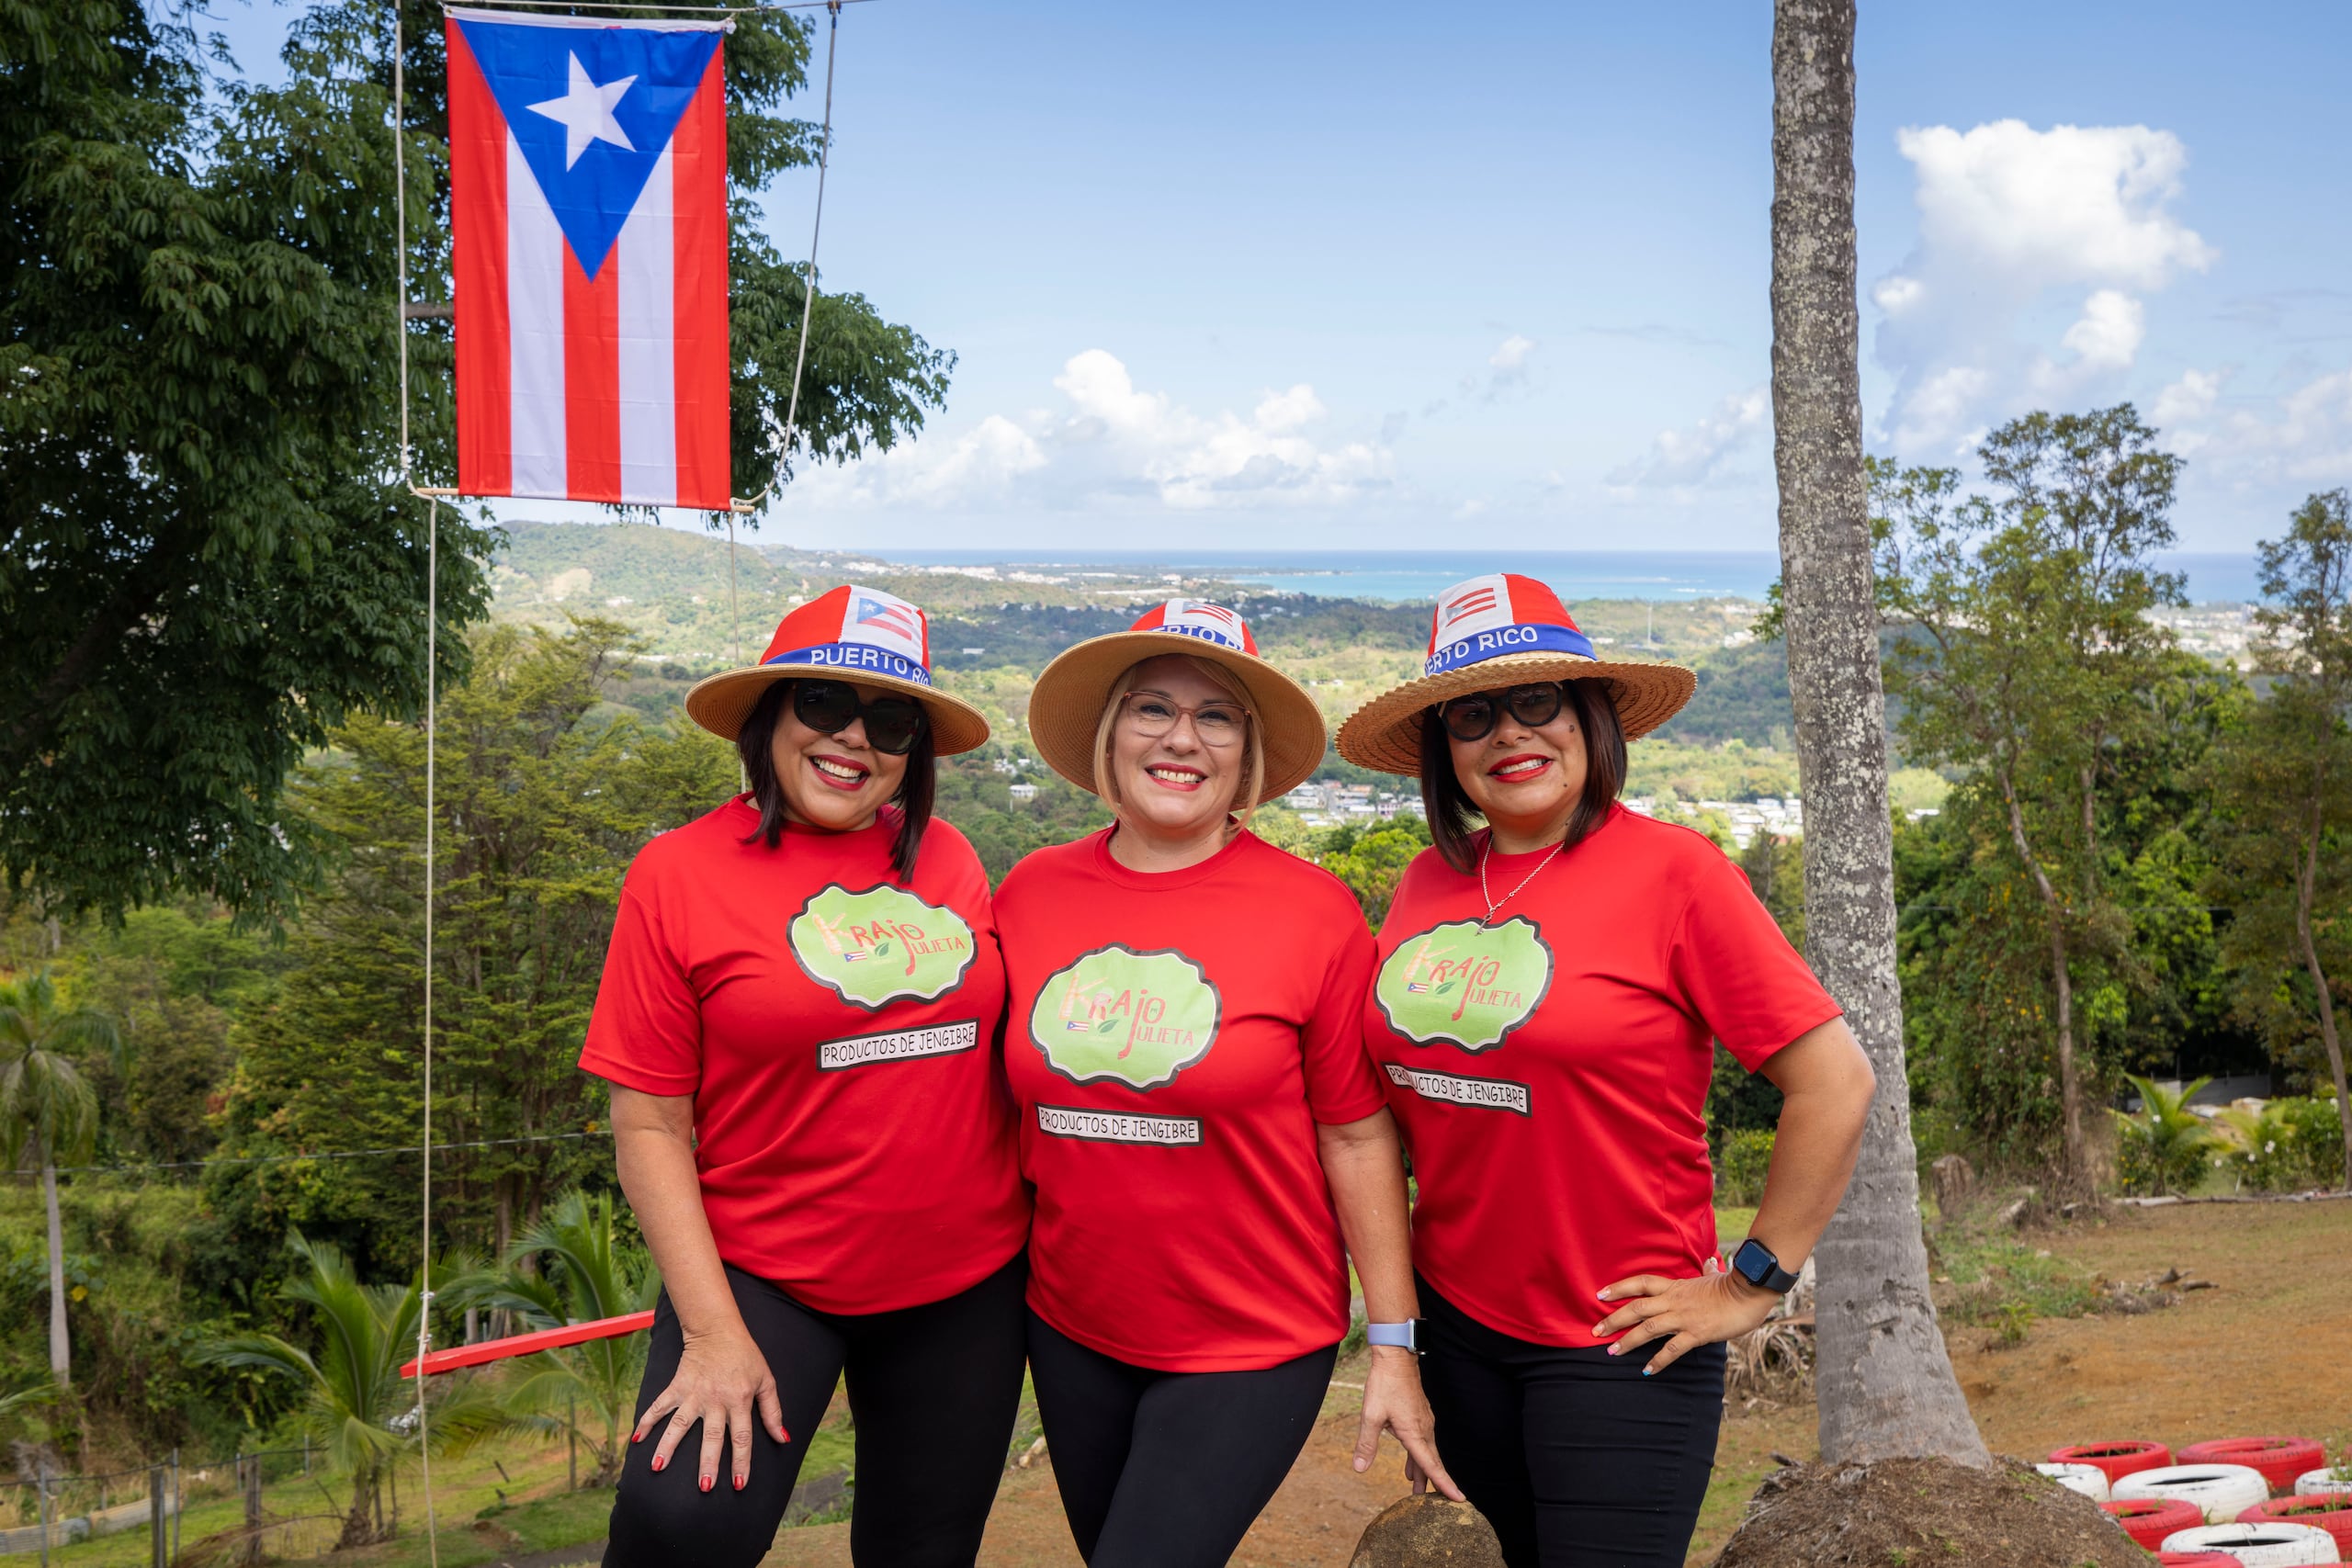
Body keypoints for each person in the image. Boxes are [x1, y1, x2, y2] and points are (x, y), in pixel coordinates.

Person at [1334, 573, 1878, 1568]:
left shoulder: (1678, 875)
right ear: (1442, 750)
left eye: (1536, 701)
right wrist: (1402, 1344)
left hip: (1618, 1344)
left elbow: (1835, 1081)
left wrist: (1753, 1281)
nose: (1507, 733)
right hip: (1458, 1334)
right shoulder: (1426, 882)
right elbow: (1377, 1114)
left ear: (1590, 718)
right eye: (1473, 713)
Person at [994, 599, 1461, 1568]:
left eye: (1215, 717)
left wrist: (1391, 1343)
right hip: (1072, 1324)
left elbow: (1357, 1133)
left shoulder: (1313, 911)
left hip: (1250, 1336)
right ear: (1108, 733)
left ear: (1244, 754)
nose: (1180, 738)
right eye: (1151, 708)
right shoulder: (1029, 893)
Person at [580, 585, 1030, 1568]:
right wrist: (710, 1332)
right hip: (766, 1277)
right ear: (770, 716)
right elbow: (650, 1124)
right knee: (678, 1531)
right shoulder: (677, 874)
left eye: (890, 719)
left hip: (964, 1284)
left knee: (926, 1548)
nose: (854, 739)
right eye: (822, 703)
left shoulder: (950, 859)